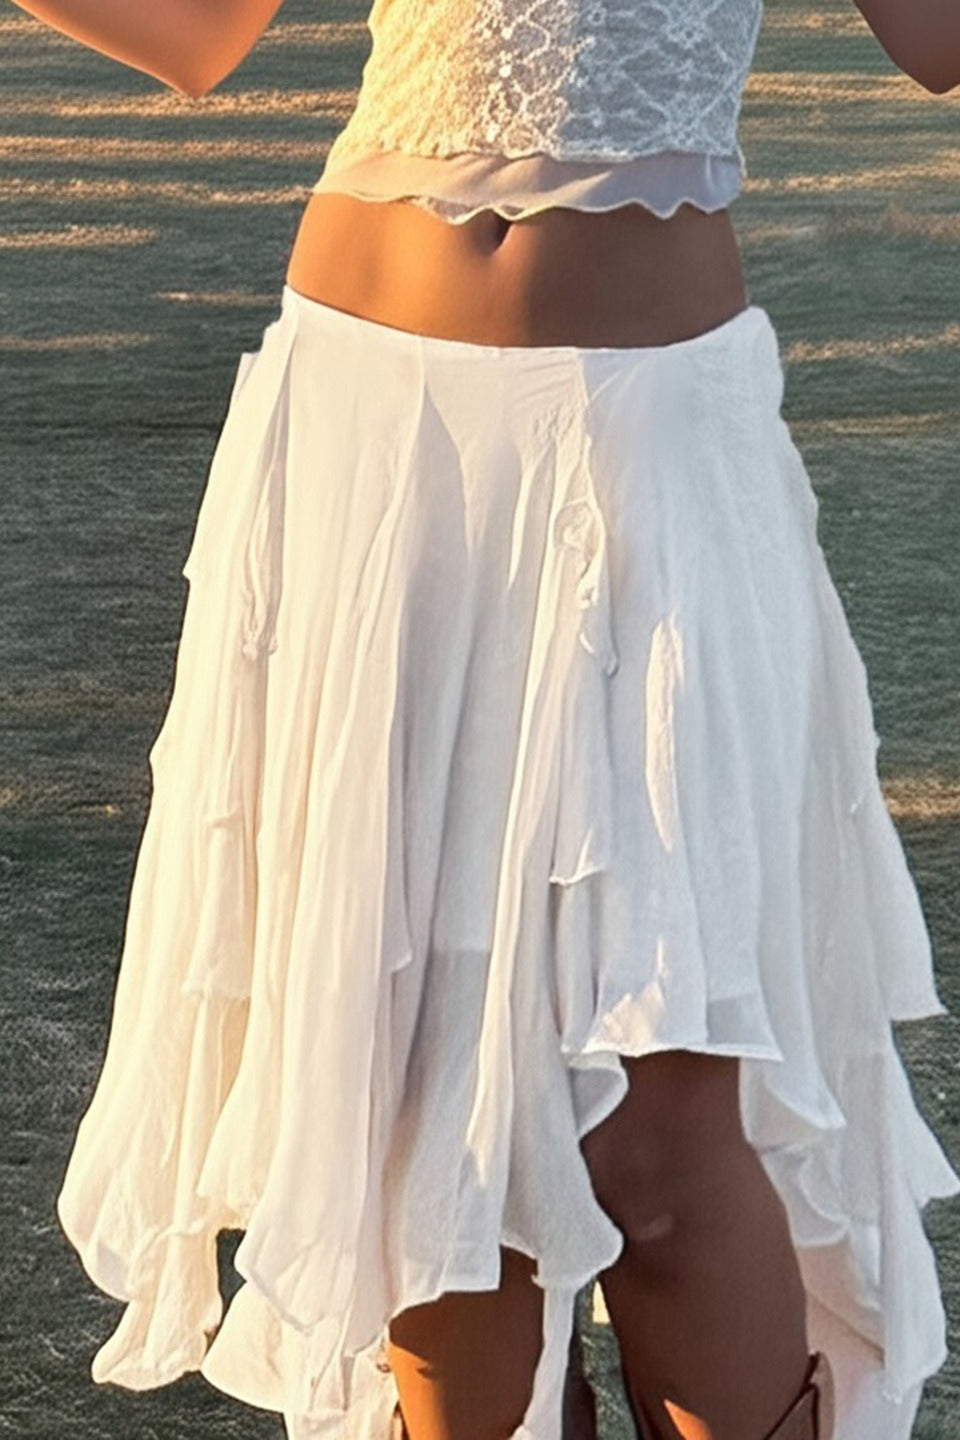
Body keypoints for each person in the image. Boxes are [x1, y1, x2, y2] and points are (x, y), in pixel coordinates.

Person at [29, 1, 960, 1438]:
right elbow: (199, 33)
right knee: (424, 1119)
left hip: (654, 443)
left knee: (660, 1146)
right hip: (372, 433)